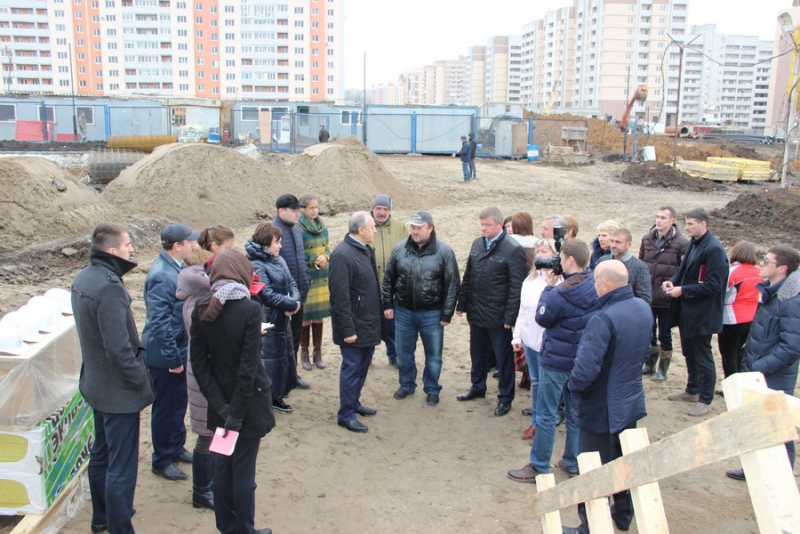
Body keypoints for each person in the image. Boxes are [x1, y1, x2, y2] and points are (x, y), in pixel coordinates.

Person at [71, 223, 155, 534]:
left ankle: (102, 517)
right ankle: (119, 526)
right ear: (111, 250)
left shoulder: (84, 277)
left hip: (96, 384)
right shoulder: (108, 287)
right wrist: (141, 382)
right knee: (121, 466)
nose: (131, 248)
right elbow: (119, 350)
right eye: (127, 244)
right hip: (116, 392)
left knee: (102, 454)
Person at [560, 260, 653, 534]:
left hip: (601, 406)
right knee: (624, 460)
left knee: (592, 467)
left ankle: (588, 526)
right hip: (629, 399)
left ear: (604, 283)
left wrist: (572, 387)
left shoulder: (603, 318)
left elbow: (585, 369)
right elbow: (647, 350)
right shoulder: (642, 308)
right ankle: (623, 513)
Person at [190, 249, 275, 534]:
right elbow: (248, 369)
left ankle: (226, 527)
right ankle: (244, 529)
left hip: (219, 404)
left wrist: (222, 408)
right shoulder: (250, 309)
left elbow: (200, 365)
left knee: (223, 469)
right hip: (247, 406)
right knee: (243, 474)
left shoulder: (202, 308)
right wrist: (236, 414)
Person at [507, 239, 598, 482]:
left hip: (557, 360)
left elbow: (542, 318)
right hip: (580, 360)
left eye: (561, 258)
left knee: (546, 414)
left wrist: (548, 288)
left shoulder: (560, 292)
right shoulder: (593, 284)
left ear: (570, 260)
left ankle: (539, 466)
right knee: (574, 413)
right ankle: (572, 461)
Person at [727, 245, 800, 481]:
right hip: (758, 369)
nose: (761, 264)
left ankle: (783, 479)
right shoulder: (771, 291)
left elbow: (792, 347)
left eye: (766, 261)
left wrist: (759, 367)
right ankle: (754, 468)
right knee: (757, 422)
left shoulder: (791, 301)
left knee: (778, 427)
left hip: (773, 375)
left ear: (782, 268)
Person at [382, 210, 460, 406]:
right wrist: (387, 303)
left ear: (430, 228)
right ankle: (407, 384)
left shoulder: (444, 251)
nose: (415, 231)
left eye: (419, 227)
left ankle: (432, 389)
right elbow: (389, 278)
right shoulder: (399, 249)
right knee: (403, 353)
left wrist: (447, 313)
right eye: (412, 227)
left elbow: (452, 284)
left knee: (433, 356)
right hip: (403, 311)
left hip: (432, 314)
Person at [142, 221, 200, 481]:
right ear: (177, 245)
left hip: (177, 349)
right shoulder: (161, 275)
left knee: (178, 403)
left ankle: (176, 447)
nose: (194, 245)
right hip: (166, 356)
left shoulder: (174, 267)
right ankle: (162, 459)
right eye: (190, 241)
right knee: (166, 407)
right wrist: (173, 358)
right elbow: (159, 322)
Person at [456, 207, 527, 417]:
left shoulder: (513, 249)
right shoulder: (477, 244)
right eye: (481, 225)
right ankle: (477, 387)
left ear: (499, 225)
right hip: (476, 311)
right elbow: (469, 275)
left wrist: (510, 317)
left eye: (487, 225)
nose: (483, 228)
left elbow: (516, 286)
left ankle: (505, 398)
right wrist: (462, 303)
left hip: (498, 316)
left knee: (502, 359)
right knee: (477, 354)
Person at [662, 208, 728, 417]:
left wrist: (683, 290)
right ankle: (692, 389)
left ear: (703, 224)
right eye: (687, 223)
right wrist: (673, 281)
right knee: (689, 352)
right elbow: (683, 270)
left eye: (691, 224)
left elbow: (714, 285)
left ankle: (705, 399)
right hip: (687, 310)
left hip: (703, 313)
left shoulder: (714, 250)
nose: (687, 227)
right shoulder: (694, 242)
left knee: (703, 355)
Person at [329, 211, 382, 433]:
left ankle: (354, 402)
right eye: (372, 227)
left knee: (362, 367)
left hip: (367, 322)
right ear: (360, 230)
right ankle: (346, 415)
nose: (375, 230)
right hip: (353, 326)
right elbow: (339, 297)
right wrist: (347, 330)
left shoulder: (364, 249)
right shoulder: (342, 255)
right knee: (352, 369)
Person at [246, 222, 301, 414]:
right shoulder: (256, 265)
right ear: (266, 244)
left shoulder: (278, 260)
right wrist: (292, 305)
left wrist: (295, 302)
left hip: (283, 319)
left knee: (284, 357)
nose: (280, 246)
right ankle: (269, 398)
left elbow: (292, 283)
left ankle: (278, 394)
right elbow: (266, 295)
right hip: (267, 321)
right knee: (270, 361)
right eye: (277, 242)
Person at [512, 237, 562, 441]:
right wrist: (517, 336)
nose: (540, 255)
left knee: (546, 385)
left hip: (548, 343)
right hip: (530, 341)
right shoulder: (529, 280)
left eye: (545, 251)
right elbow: (523, 310)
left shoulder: (560, 282)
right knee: (536, 382)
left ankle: (543, 421)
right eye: (538, 251)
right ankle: (536, 420)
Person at [176, 257, 215, 510]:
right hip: (204, 379)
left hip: (202, 375)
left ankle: (212, 484)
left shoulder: (196, 299)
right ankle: (202, 491)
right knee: (207, 435)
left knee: (213, 433)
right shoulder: (202, 305)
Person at [638, 205, 688, 380]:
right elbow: (641, 263)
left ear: (672, 220)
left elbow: (683, 269)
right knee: (649, 332)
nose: (659, 221)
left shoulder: (682, 244)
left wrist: (672, 285)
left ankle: (663, 369)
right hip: (648, 295)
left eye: (663, 218)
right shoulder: (647, 239)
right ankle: (650, 363)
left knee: (665, 334)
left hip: (666, 298)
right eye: (657, 217)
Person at [273, 193, 311, 389]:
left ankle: (292, 375)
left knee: (295, 337)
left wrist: (306, 281)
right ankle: (281, 379)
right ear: (281, 211)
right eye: (294, 210)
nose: (298, 213)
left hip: (299, 296)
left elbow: (300, 259)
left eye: (299, 209)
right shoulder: (273, 232)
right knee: (280, 341)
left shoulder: (296, 230)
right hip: (281, 299)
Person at [371, 194, 408, 367]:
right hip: (370, 288)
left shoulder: (400, 228)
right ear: (372, 209)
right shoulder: (365, 226)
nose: (382, 212)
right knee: (370, 325)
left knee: (393, 326)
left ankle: (394, 356)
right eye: (378, 208)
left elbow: (408, 253)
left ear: (390, 211)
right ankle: (367, 357)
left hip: (394, 289)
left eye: (385, 209)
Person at [298, 193, 332, 370]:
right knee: (305, 317)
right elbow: (297, 252)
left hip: (321, 276)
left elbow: (328, 246)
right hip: (307, 275)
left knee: (318, 316)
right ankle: (304, 353)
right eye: (311, 207)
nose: (314, 211)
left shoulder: (322, 226)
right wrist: (313, 260)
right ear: (302, 209)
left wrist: (326, 256)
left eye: (317, 207)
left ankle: (317, 353)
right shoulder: (298, 228)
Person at [718, 241, 761, 378]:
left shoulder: (732, 272)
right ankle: (740, 380)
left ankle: (732, 383)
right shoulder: (759, 272)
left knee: (728, 354)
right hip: (752, 318)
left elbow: (722, 294)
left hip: (732, 318)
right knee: (739, 351)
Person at [597, 228, 652, 303]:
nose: (613, 245)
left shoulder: (639, 267)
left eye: (618, 242)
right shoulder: (602, 261)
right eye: (612, 241)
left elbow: (645, 299)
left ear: (629, 245)